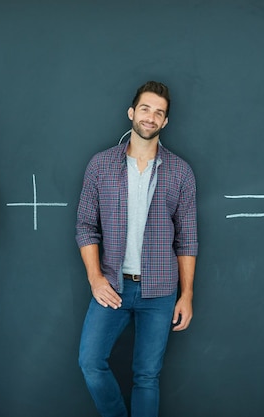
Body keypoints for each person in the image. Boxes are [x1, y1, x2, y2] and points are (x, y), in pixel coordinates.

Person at [76, 81, 198, 417]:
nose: (151, 116)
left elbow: (187, 239)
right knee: (89, 362)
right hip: (113, 285)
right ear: (132, 113)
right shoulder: (100, 165)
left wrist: (186, 295)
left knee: (147, 377)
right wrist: (95, 279)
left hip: (159, 292)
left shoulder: (181, 173)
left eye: (159, 112)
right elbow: (85, 226)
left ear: (165, 122)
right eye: (145, 109)